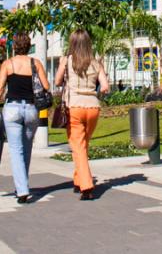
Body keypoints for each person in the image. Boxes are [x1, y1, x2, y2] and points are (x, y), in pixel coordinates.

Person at [0, 32, 49, 204]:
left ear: (14, 47)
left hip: (12, 109)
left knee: (16, 150)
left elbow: (0, 88)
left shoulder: (8, 64)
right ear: (29, 46)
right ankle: (22, 184)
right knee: (27, 148)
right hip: (31, 109)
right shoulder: (35, 63)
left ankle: (22, 190)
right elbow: (46, 86)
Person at [55, 29, 110, 201]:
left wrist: (61, 67)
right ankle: (78, 180)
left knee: (78, 147)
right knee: (83, 145)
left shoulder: (67, 61)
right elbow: (105, 86)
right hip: (93, 108)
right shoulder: (96, 63)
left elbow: (57, 82)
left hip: (74, 107)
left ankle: (86, 186)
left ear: (72, 43)